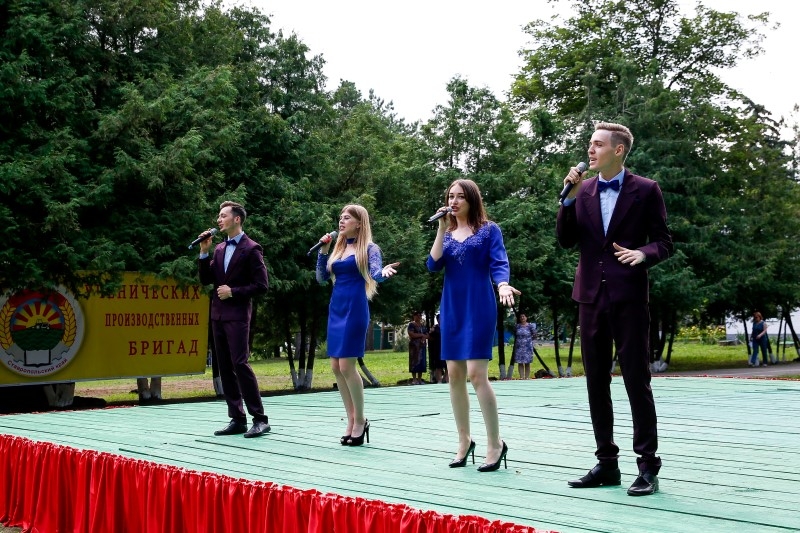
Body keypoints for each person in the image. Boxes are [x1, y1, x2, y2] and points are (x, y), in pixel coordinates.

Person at [557, 121, 673, 496]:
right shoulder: (584, 190)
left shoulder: (646, 190)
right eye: (590, 144)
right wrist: (568, 199)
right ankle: (607, 463)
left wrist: (643, 253)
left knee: (637, 380)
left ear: (618, 150)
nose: (590, 150)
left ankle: (648, 466)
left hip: (629, 299)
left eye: (597, 144)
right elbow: (565, 240)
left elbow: (664, 242)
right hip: (590, 298)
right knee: (595, 382)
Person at [427, 179, 520, 472]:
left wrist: (502, 284)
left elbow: (499, 262)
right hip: (451, 307)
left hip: (479, 304)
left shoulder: (489, 230)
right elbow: (432, 265)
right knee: (454, 375)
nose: (453, 202)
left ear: (472, 200)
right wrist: (441, 229)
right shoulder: (447, 232)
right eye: (450, 197)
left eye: (460, 197)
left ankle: (495, 443)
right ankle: (464, 441)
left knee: (477, 375)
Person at [315, 204, 399, 446]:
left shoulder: (370, 248)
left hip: (355, 308)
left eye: (347, 218)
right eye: (340, 217)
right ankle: (351, 419)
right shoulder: (338, 248)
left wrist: (384, 273)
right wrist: (323, 251)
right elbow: (321, 278)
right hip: (337, 308)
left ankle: (360, 420)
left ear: (359, 223)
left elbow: (376, 273)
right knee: (335, 366)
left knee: (347, 365)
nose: (341, 221)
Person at [198, 201, 271, 438]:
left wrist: (233, 292)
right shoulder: (219, 248)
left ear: (236, 219)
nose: (219, 220)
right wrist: (204, 252)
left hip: (238, 315)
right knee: (224, 367)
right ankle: (237, 418)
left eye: (223, 216)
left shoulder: (251, 248)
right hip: (218, 315)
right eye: (219, 216)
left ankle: (259, 419)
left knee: (240, 363)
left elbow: (261, 285)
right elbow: (206, 279)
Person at [407, 311, 429, 385]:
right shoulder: (411, 324)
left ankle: (419, 379)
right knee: (414, 362)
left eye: (420, 315)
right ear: (414, 316)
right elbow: (411, 334)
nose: (419, 317)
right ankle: (414, 379)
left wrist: (424, 337)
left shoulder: (422, 325)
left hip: (422, 346)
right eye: (417, 315)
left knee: (421, 362)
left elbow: (427, 335)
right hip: (414, 347)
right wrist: (421, 335)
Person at [513, 314, 537, 379]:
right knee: (520, 362)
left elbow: (534, 334)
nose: (522, 318)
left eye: (523, 316)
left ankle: (527, 377)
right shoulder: (517, 326)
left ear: (526, 317)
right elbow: (515, 334)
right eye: (521, 317)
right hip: (519, 346)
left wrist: (529, 341)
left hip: (527, 346)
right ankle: (521, 377)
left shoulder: (530, 326)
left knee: (527, 362)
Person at [428, 314, 446, 384]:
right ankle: (439, 380)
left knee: (447, 365)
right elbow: (430, 336)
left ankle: (445, 379)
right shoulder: (435, 328)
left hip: (446, 349)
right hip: (438, 349)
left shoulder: (446, 326)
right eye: (440, 318)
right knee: (438, 365)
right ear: (438, 320)